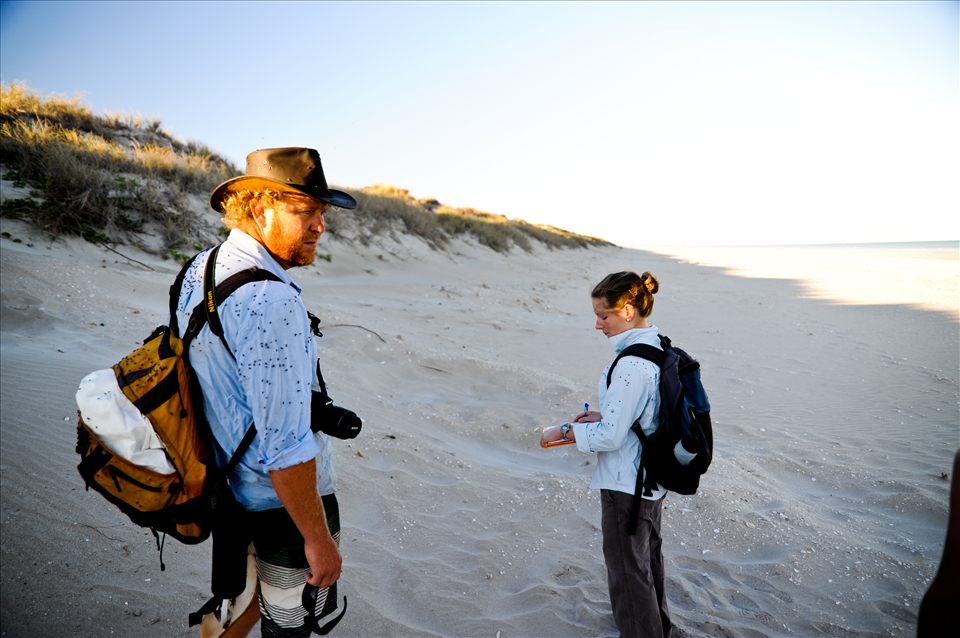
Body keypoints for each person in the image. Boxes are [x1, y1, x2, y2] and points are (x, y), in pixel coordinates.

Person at [176, 147, 358, 637]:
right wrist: (317, 539)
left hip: (224, 482)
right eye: (306, 212)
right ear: (260, 210)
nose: (321, 226)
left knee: (245, 597)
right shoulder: (271, 301)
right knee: (291, 623)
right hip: (280, 505)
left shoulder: (202, 267)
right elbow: (286, 446)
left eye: (322, 212)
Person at [541, 270, 672, 638]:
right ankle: (661, 630)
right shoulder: (657, 345)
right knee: (647, 560)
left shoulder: (631, 364)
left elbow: (611, 437)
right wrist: (607, 415)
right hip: (652, 478)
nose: (598, 325)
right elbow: (648, 413)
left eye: (604, 315)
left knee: (627, 573)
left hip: (627, 482)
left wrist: (564, 431)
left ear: (628, 311)